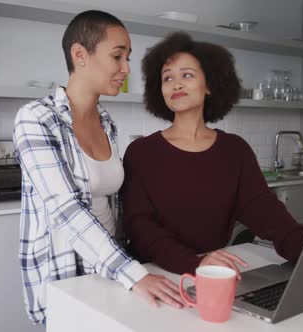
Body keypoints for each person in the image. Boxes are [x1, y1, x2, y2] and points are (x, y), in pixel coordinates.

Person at [122, 32, 303, 290]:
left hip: (211, 275)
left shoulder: (234, 151)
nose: (176, 84)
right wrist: (194, 263)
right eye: (167, 78)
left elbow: (272, 217)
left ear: (209, 85)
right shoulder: (141, 152)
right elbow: (140, 228)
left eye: (187, 75)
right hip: (155, 278)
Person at [12, 11, 184, 326]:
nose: (126, 68)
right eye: (118, 56)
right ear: (80, 55)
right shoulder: (35, 118)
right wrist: (134, 275)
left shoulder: (107, 123)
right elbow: (66, 208)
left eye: (127, 58)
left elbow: (112, 203)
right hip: (66, 276)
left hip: (110, 271)